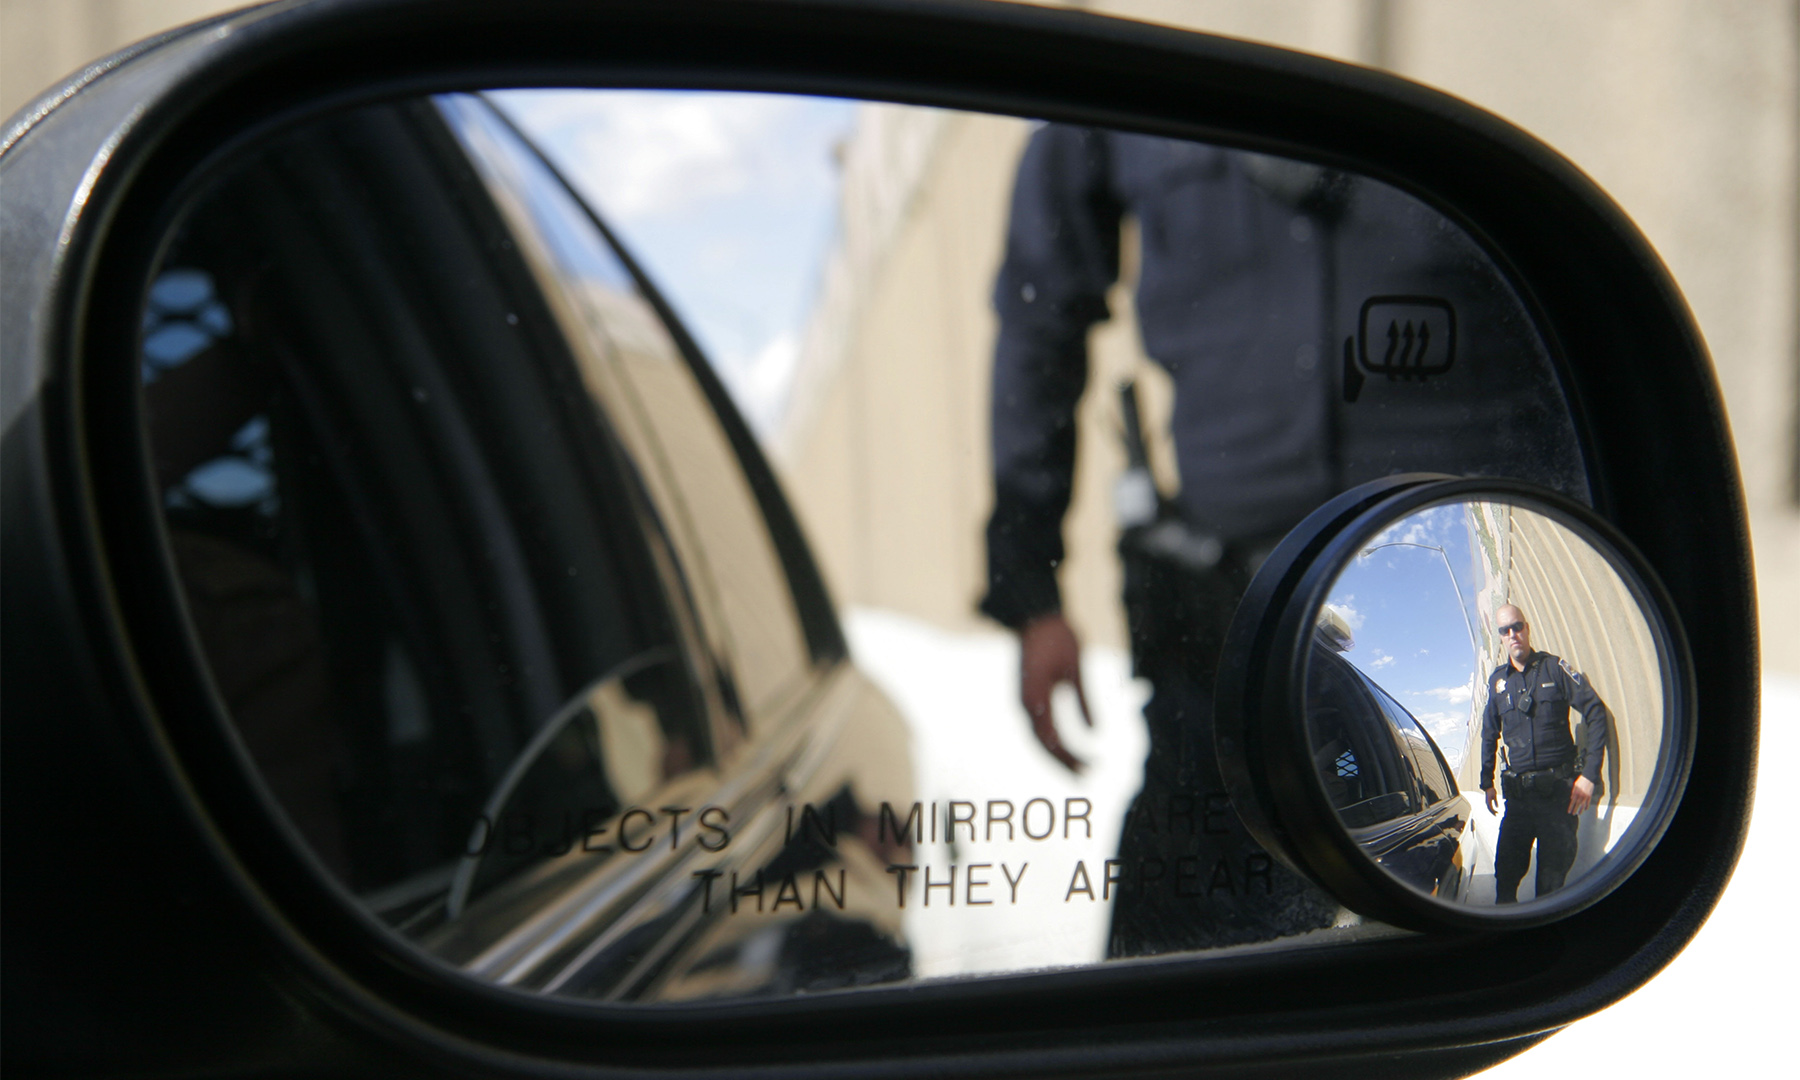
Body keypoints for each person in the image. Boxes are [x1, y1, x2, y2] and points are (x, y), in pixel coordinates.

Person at [1477, 604, 1612, 903]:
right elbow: (1489, 732)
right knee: (1505, 883)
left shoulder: (1555, 668)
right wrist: (1486, 781)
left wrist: (1590, 775)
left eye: (1517, 627)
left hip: (1558, 800)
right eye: (1505, 630)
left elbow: (1595, 711)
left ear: (1527, 628)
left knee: (1550, 890)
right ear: (1500, 637)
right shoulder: (1498, 682)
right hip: (1519, 802)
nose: (1513, 635)